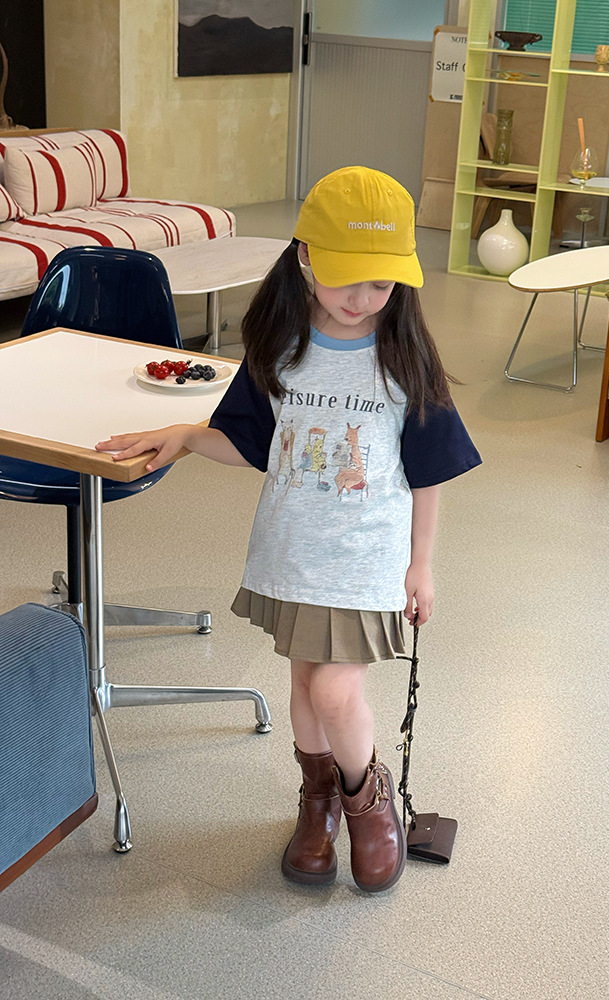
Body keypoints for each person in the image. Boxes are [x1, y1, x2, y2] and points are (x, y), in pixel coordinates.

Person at [96, 166, 481, 893]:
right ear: (305, 257)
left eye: (380, 283)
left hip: (366, 560)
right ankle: (317, 801)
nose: (362, 298)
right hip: (294, 552)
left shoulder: (404, 356)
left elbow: (429, 468)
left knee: (335, 691)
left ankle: (367, 801)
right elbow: (253, 444)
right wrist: (187, 436)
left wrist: (422, 564)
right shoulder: (281, 346)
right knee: (305, 684)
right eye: (345, 280)